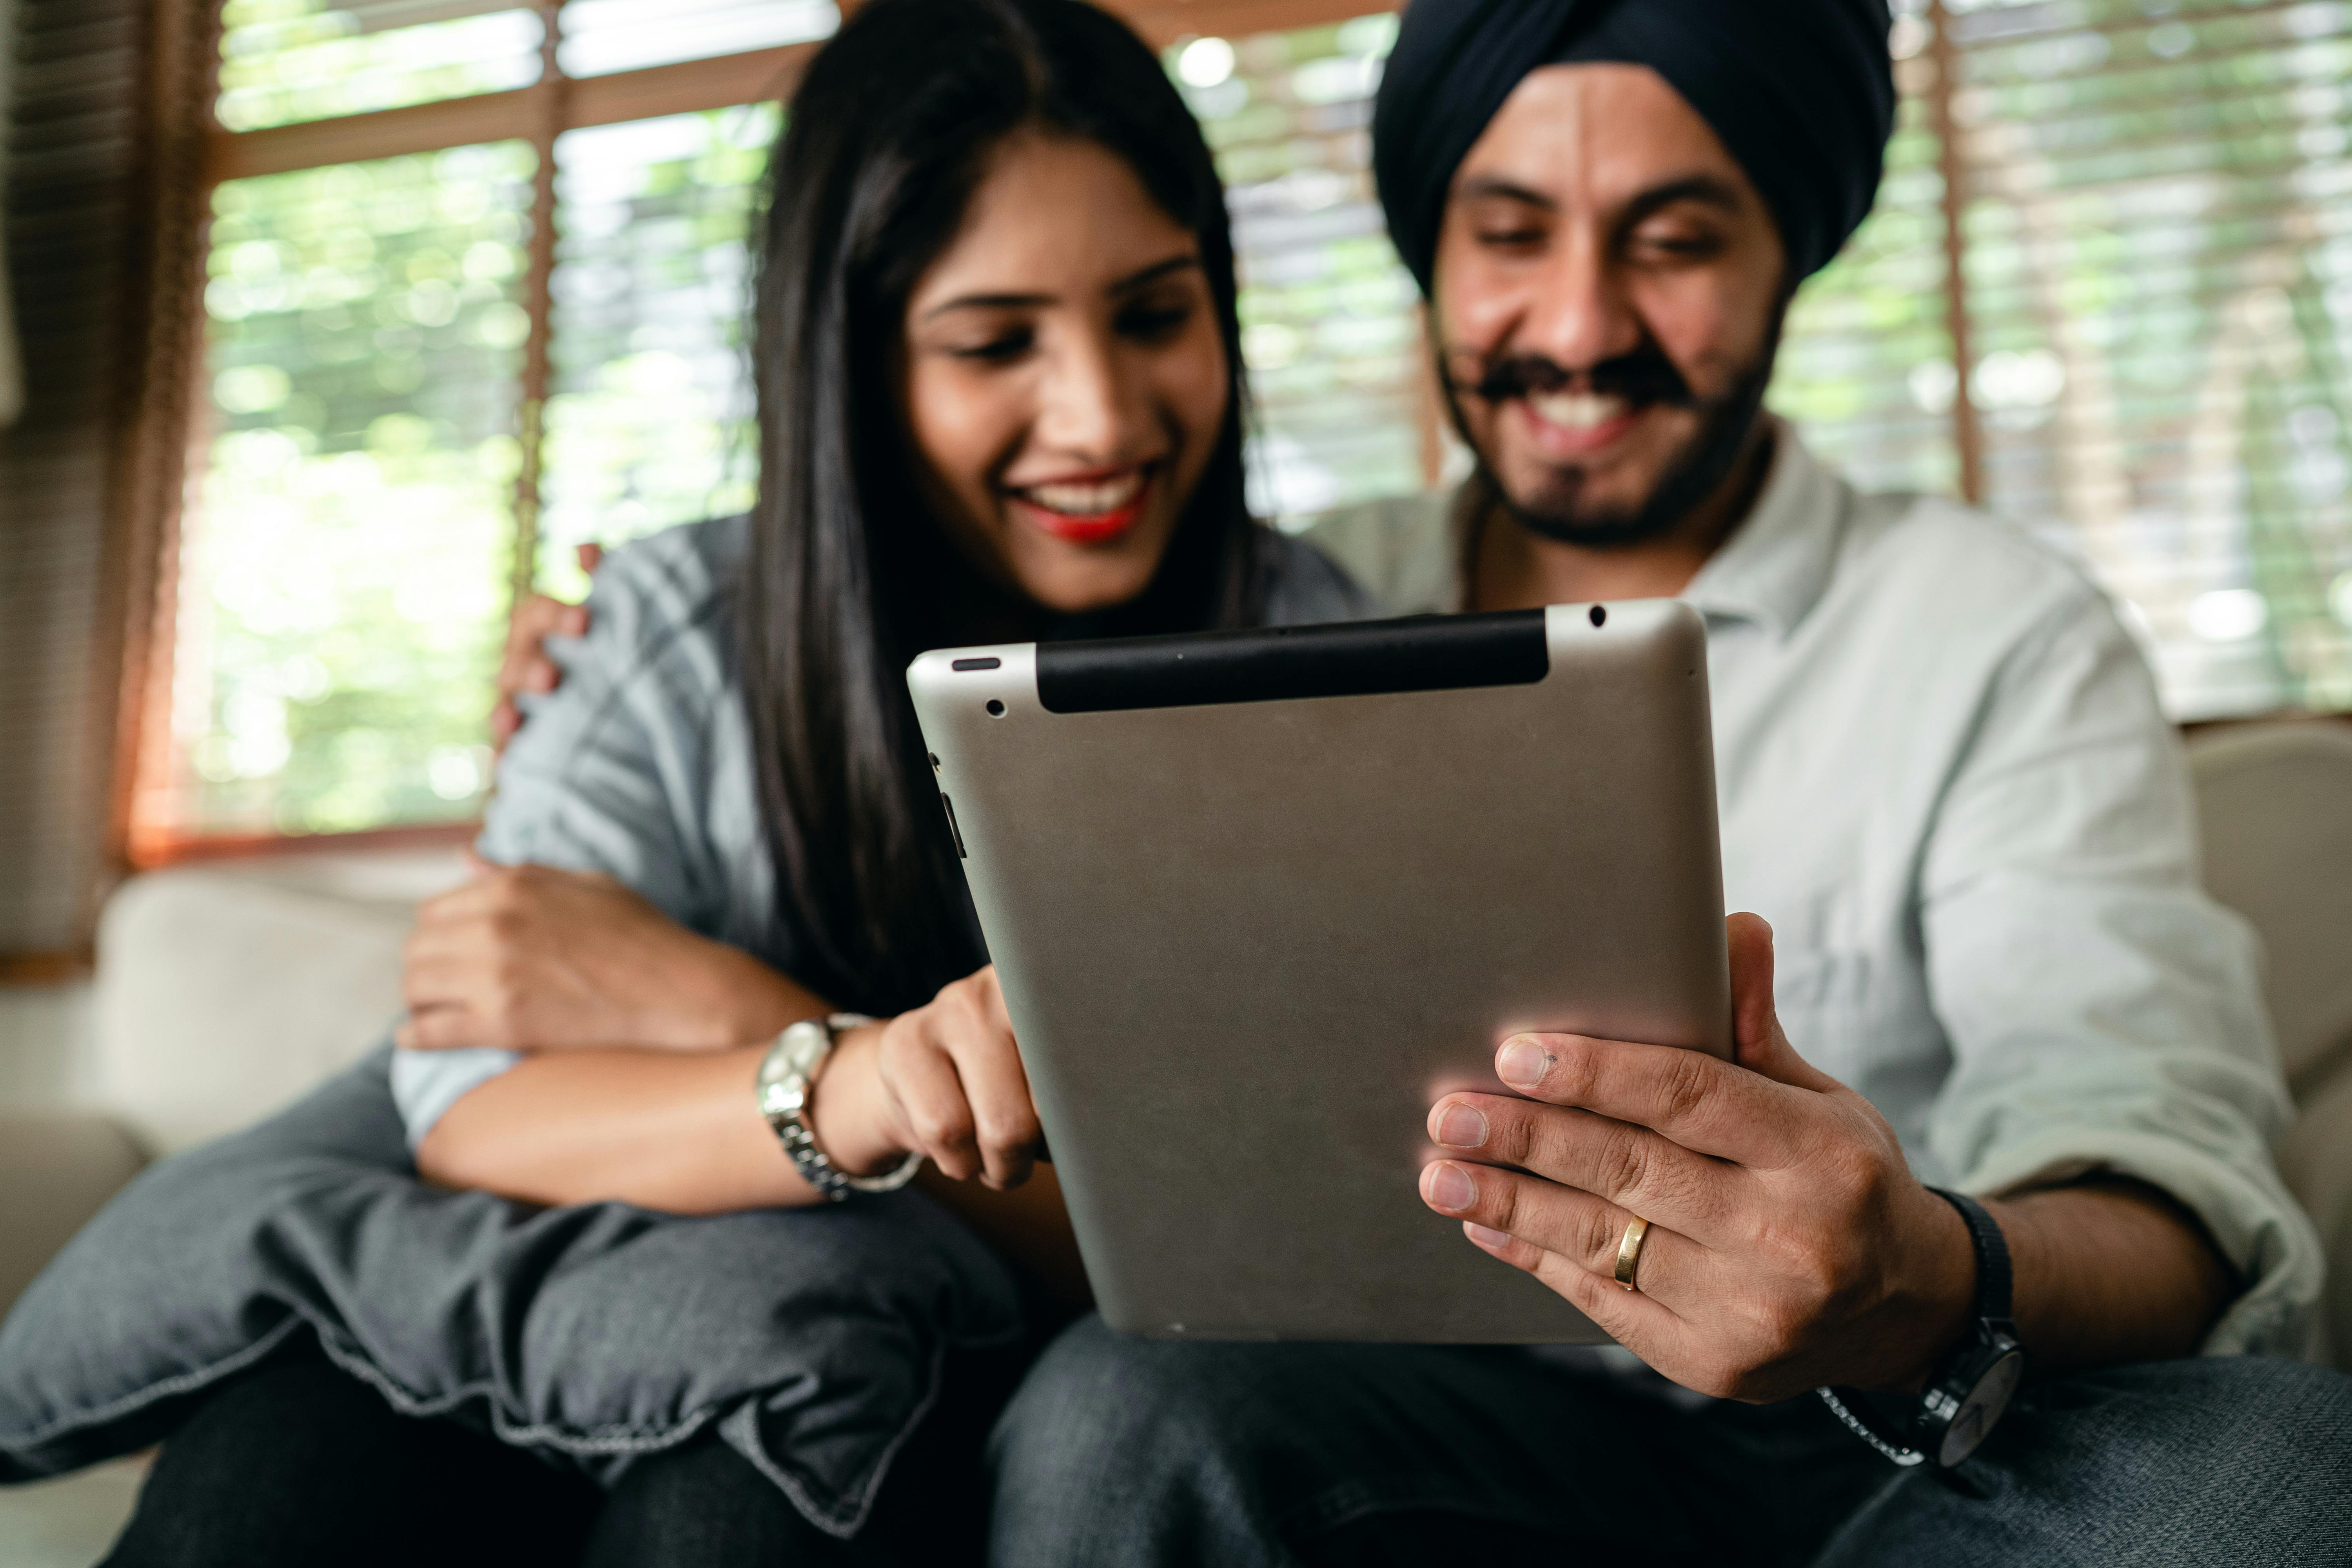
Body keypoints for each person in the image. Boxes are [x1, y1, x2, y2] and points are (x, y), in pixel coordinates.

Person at [964, 0, 2352, 1563]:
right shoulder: (1294, 602)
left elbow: (2158, 1176)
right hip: (1453, 1438)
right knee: (1112, 1405)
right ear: (1434, 246)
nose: (1576, 325)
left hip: (1902, 1439)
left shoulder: (1990, 625)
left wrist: (1914, 1270)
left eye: (1674, 241)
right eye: (1509, 235)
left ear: (1791, 251)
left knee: (2287, 1469)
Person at [84, 0, 1368, 1563]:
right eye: (994, 343)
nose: (1101, 416)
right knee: (276, 1463)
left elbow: (1256, 1237)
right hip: (579, 1306)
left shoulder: (1311, 660)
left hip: (910, 1369)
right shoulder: (665, 635)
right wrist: (856, 1077)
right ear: (847, 359)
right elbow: (479, 1112)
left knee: (746, 1501)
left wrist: (723, 1008)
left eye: (1156, 315)